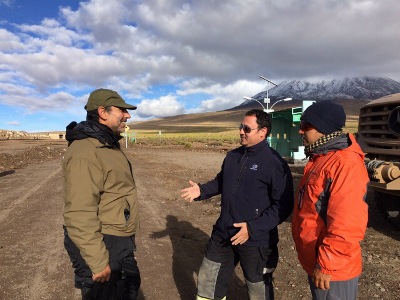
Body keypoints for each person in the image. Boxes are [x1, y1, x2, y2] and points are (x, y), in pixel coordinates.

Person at [181, 109, 294, 300]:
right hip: (223, 234)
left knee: (259, 292)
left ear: (263, 132)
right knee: (208, 283)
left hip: (256, 241)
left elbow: (283, 206)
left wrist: (253, 228)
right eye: (241, 127)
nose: (241, 131)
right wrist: (202, 190)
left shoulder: (275, 163)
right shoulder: (233, 156)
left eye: (247, 129)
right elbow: (221, 181)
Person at [63, 88, 141, 300]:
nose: (128, 115)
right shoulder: (86, 151)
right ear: (103, 112)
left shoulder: (106, 143)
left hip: (116, 240)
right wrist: (98, 261)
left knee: (129, 287)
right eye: (122, 110)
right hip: (104, 243)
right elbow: (79, 212)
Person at [291, 100, 369, 300]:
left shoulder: (344, 163)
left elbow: (347, 224)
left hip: (333, 270)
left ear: (323, 129)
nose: (301, 131)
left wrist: (327, 264)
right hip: (319, 261)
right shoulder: (321, 158)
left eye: (306, 126)